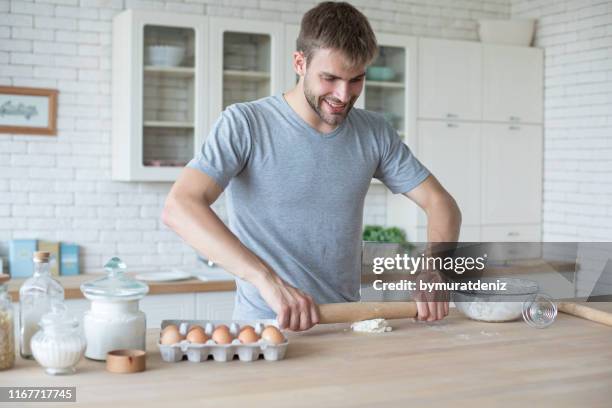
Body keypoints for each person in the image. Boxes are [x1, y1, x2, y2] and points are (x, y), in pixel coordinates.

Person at [162, 1, 461, 331]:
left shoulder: (374, 132)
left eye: (356, 80)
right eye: (330, 78)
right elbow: (180, 207)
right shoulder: (245, 123)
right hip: (267, 329)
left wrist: (435, 265)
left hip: (347, 324)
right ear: (299, 63)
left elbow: (441, 203)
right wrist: (267, 280)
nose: (343, 95)